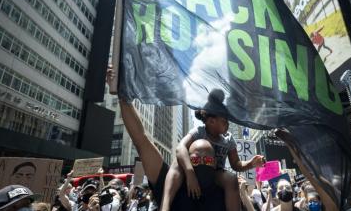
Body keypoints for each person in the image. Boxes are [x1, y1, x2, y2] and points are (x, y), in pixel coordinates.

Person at [108, 62, 226, 211]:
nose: (202, 163)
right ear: (188, 161)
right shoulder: (171, 184)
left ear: (215, 163)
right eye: (195, 159)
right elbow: (141, 140)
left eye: (207, 159)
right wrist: (122, 97)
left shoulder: (224, 194)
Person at [161, 89, 265, 211]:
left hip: (215, 173)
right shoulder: (199, 131)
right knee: (177, 162)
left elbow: (236, 164)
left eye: (228, 121)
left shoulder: (228, 138)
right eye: (224, 121)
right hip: (195, 169)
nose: (227, 124)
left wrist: (251, 163)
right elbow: (180, 148)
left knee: (231, 179)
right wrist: (190, 174)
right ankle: (165, 206)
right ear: (211, 121)